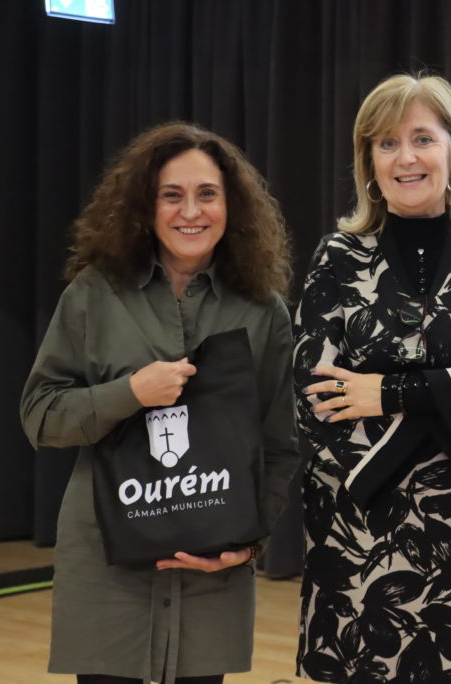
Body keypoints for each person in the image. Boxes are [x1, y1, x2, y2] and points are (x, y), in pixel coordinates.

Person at [292, 73, 451, 684]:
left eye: (422, 139)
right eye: (386, 143)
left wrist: (390, 392)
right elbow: (316, 390)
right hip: (362, 534)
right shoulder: (337, 257)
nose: (405, 157)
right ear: (369, 162)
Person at [19, 121, 301, 684]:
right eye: (171, 195)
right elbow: (40, 416)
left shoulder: (262, 311)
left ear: (232, 205)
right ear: (144, 207)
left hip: (212, 574)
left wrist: (249, 542)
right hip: (106, 569)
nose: (190, 212)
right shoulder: (93, 294)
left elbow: (279, 445)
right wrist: (129, 393)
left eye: (207, 194)